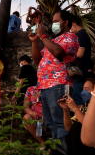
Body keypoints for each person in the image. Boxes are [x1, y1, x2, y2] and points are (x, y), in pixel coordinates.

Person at [29, 9, 79, 140]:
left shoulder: (70, 37)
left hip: (59, 85)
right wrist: (35, 41)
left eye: (56, 21)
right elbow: (36, 60)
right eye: (53, 22)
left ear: (65, 22)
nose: (53, 25)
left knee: (60, 122)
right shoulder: (53, 40)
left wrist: (43, 36)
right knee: (50, 123)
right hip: (45, 86)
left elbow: (59, 53)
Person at [70, 15, 93, 105]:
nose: (70, 30)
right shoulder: (83, 34)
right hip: (83, 68)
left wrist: (69, 57)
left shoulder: (81, 34)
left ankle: (80, 114)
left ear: (74, 24)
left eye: (70, 26)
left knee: (78, 94)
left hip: (80, 69)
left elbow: (80, 53)